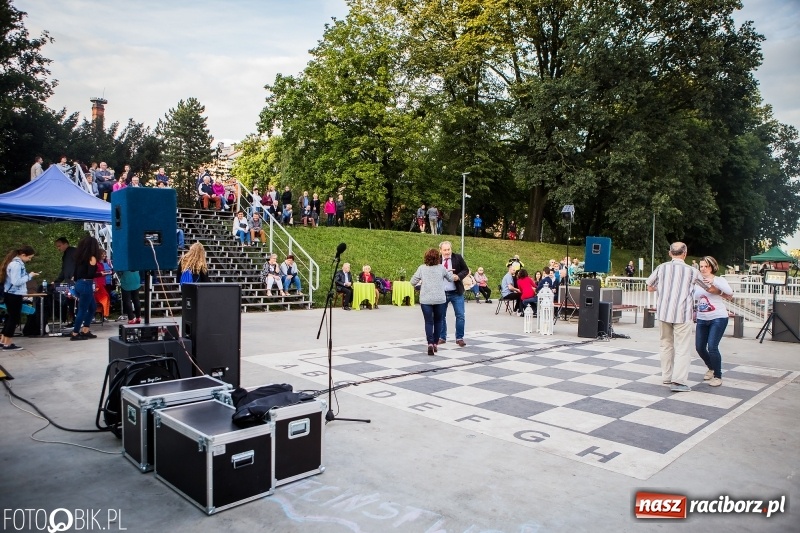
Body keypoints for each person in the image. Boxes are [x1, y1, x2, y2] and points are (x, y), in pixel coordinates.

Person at [646, 242, 703, 393]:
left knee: (665, 344)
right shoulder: (692, 271)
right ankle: (678, 381)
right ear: (685, 253)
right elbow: (707, 286)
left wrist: (663, 287)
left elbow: (650, 286)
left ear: (670, 253)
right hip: (683, 313)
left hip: (664, 312)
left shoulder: (661, 268)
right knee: (682, 347)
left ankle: (666, 376)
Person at [694, 256, 734, 387]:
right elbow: (692, 295)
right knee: (699, 347)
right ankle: (711, 367)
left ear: (712, 267)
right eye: (701, 266)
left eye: (706, 266)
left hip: (718, 317)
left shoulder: (719, 279)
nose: (703, 269)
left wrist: (713, 282)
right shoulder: (697, 282)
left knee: (712, 346)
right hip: (702, 317)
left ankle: (718, 375)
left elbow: (729, 292)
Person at [410, 248, 454, 355]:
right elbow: (450, 279)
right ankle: (435, 343)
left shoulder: (422, 268)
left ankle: (429, 343)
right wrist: (448, 273)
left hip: (426, 299)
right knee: (439, 321)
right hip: (440, 299)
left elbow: (412, 282)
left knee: (428, 321)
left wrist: (422, 281)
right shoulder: (441, 268)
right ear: (437, 258)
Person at [1, 246, 38, 350]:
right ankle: (8, 343)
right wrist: (29, 276)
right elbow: (16, 282)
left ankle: (3, 341)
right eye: (29, 257)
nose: (29, 260)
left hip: (11, 294)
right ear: (23, 255)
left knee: (10, 318)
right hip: (14, 295)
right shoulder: (16, 265)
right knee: (13, 319)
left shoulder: (13, 263)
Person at [437, 240, 469, 347]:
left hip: (456, 292)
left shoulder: (457, 258)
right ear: (440, 251)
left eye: (448, 249)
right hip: (442, 293)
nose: (447, 252)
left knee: (460, 315)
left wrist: (458, 276)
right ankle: (442, 337)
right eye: (445, 250)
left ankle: (459, 338)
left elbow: (466, 270)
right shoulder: (437, 260)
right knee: (441, 316)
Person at [69, 236, 101, 341]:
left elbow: (75, 275)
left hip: (79, 284)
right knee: (82, 310)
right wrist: (101, 274)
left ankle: (85, 330)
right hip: (86, 284)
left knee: (92, 307)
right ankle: (75, 333)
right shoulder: (92, 258)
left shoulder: (79, 258)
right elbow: (90, 274)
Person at [93, 249, 113, 320]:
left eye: (105, 254)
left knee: (105, 298)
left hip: (105, 282)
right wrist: (103, 273)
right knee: (98, 299)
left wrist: (110, 272)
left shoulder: (106, 262)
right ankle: (94, 315)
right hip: (98, 283)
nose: (104, 255)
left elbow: (111, 269)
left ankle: (103, 315)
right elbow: (94, 273)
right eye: (102, 254)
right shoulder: (96, 263)